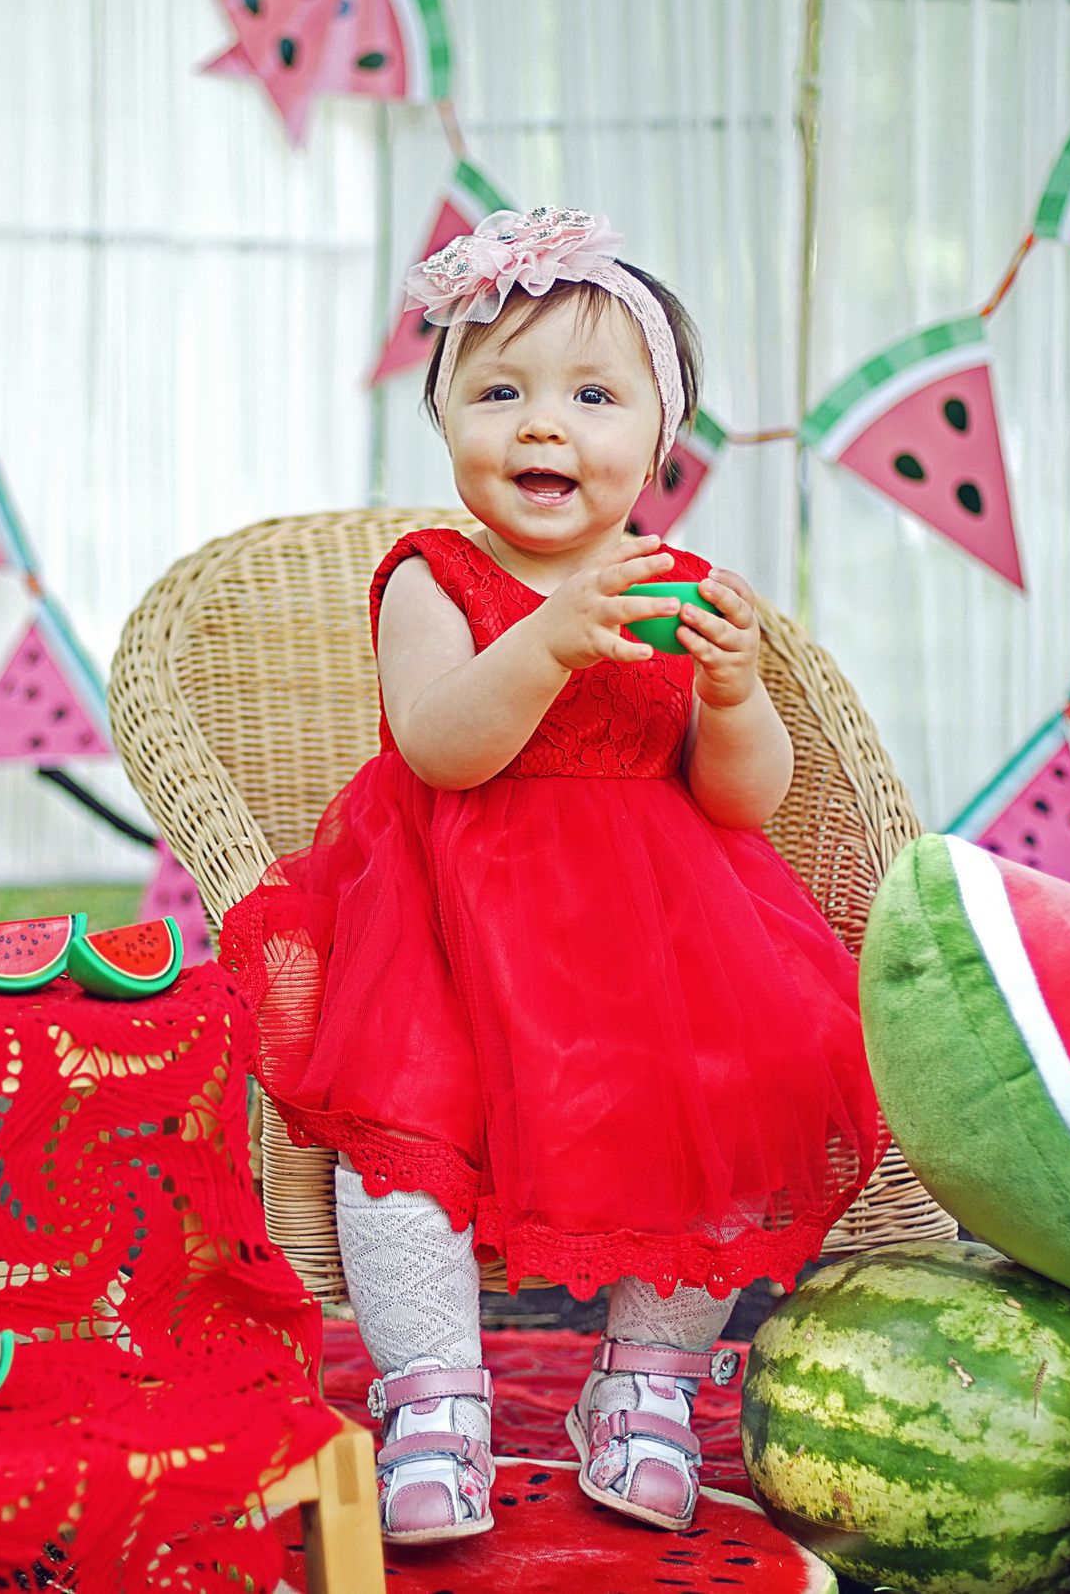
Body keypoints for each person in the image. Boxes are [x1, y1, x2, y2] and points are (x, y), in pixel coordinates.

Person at [219, 208, 883, 1545]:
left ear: (662, 435)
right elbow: (441, 747)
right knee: (404, 1141)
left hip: (651, 941)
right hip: (448, 933)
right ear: (445, 417)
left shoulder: (682, 588)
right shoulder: (435, 577)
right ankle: (432, 1400)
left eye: (593, 396)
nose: (542, 426)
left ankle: (649, 1383)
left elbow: (739, 801)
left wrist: (736, 696)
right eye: (499, 393)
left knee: (722, 1114)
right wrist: (548, 643)